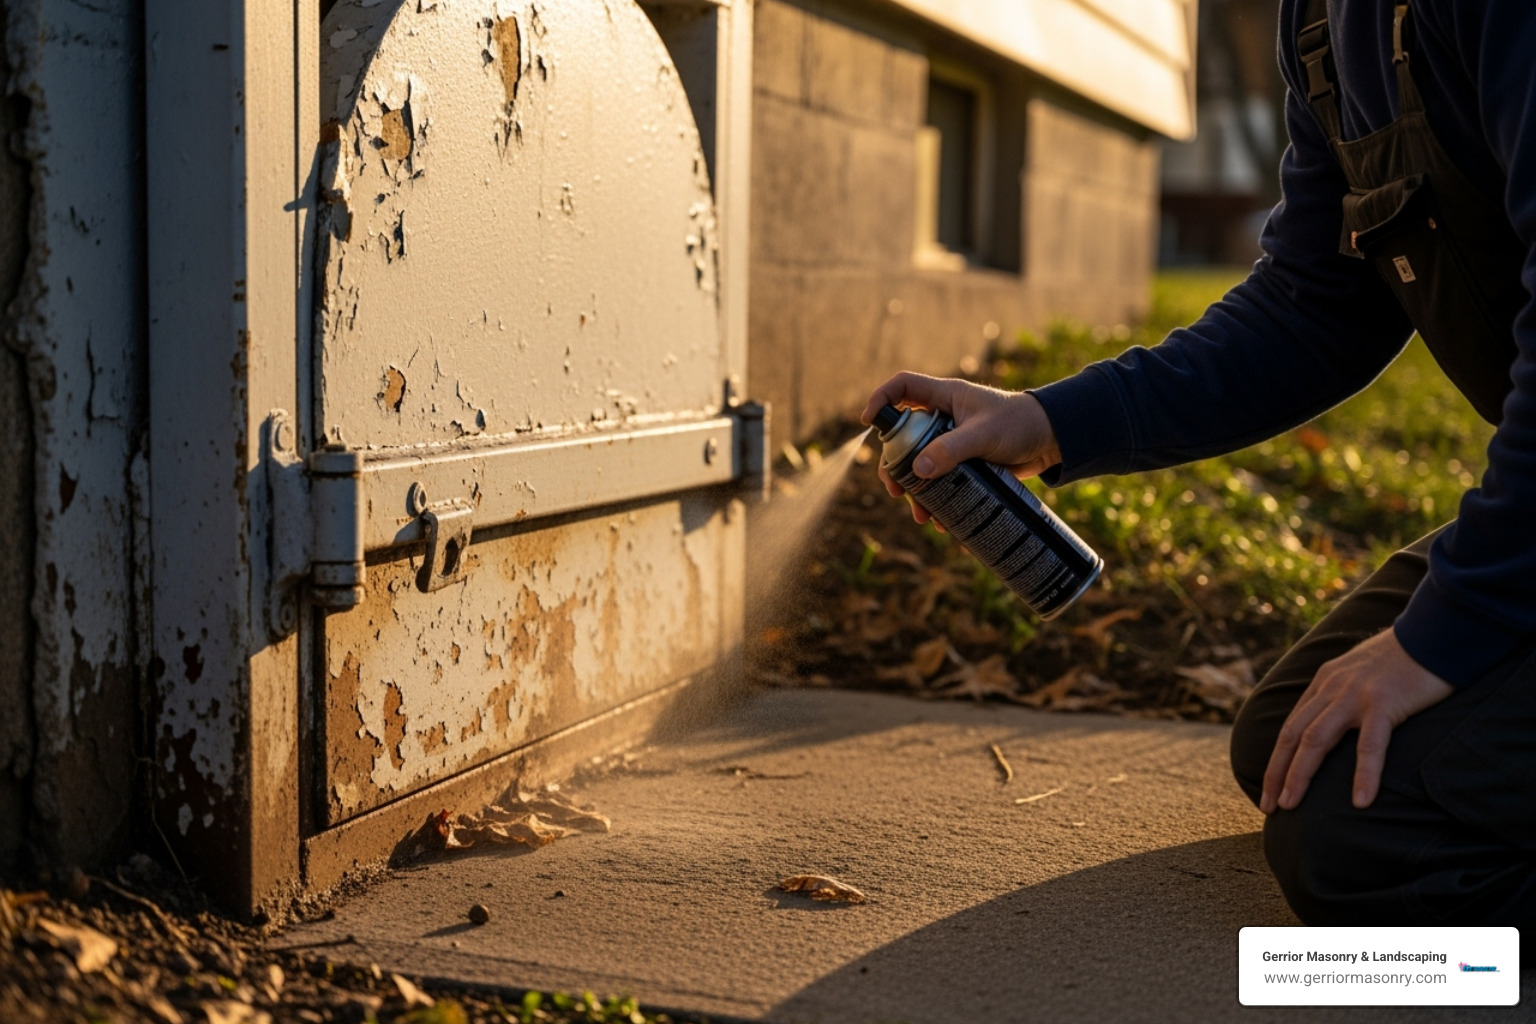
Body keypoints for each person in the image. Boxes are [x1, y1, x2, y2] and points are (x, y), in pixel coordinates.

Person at [864, 0, 1534, 931]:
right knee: (1286, 740)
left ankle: (1463, 968)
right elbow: (1312, 308)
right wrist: (1046, 419)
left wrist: (1448, 629)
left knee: (1360, 849)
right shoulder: (1323, 22)